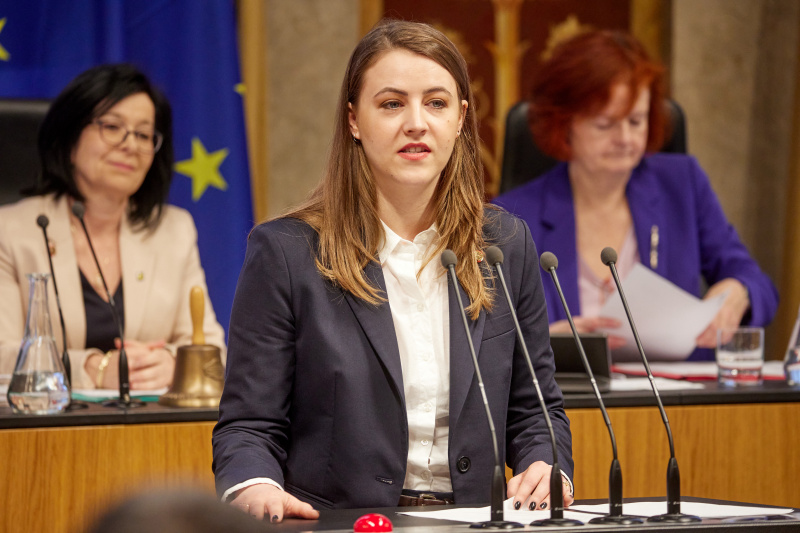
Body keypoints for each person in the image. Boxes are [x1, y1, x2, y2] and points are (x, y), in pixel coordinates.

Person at [212, 19, 573, 522]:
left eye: (437, 102)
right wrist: (254, 487)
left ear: (462, 118)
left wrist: (545, 462)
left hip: (480, 520)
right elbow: (248, 426)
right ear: (354, 120)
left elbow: (537, 410)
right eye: (391, 103)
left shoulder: (504, 246)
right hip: (339, 524)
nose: (417, 123)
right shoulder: (287, 253)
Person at [493, 30, 778, 361]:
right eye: (606, 124)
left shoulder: (681, 184)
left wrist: (738, 292)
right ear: (564, 124)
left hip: (681, 401)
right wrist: (542, 341)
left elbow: (757, 283)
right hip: (572, 403)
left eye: (636, 121)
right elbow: (487, 338)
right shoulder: (512, 216)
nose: (626, 139)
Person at [0, 64, 225, 389]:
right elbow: (3, 359)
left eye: (144, 134)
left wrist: (174, 364)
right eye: (112, 126)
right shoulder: (11, 232)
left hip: (153, 431)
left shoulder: (173, 231)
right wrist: (92, 369)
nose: (130, 145)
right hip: (46, 434)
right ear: (70, 138)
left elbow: (214, 351)